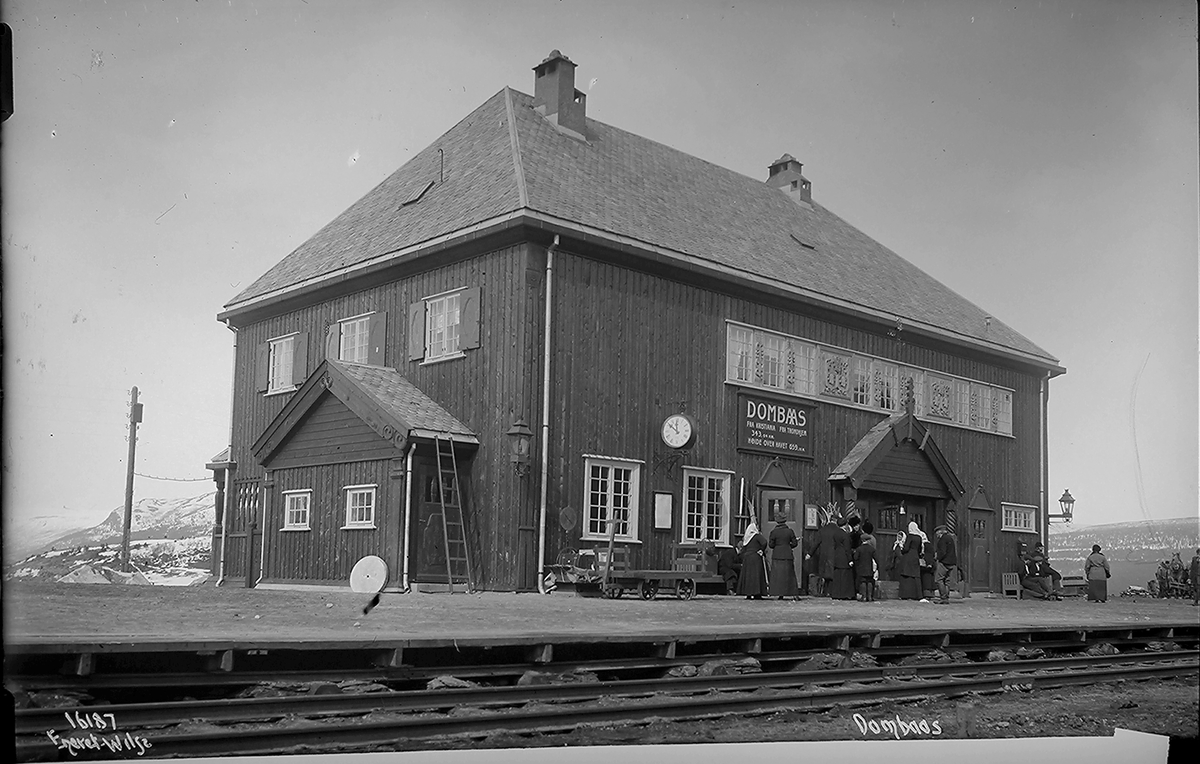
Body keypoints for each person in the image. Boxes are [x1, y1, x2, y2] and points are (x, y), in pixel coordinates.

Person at [768, 511, 800, 600]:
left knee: (778, 576)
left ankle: (779, 594)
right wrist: (789, 544)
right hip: (787, 554)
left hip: (777, 555)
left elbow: (771, 545)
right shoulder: (790, 531)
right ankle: (794, 594)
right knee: (789, 575)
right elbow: (794, 544)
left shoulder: (774, 532)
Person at [810, 509, 839, 597]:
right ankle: (832, 592)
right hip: (834, 554)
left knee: (824, 574)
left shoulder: (822, 530)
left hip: (823, 555)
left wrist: (809, 553)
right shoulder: (838, 531)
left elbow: (816, 543)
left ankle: (825, 592)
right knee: (833, 575)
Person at [736, 521, 768, 599]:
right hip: (755, 557)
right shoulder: (757, 536)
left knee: (748, 576)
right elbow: (764, 542)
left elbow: (744, 548)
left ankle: (748, 593)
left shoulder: (746, 537)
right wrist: (761, 549)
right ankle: (757, 593)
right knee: (756, 575)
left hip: (747, 558)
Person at [829, 515, 855, 600]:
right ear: (845, 525)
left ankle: (836, 594)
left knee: (837, 577)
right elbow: (847, 548)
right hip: (844, 557)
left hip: (837, 556)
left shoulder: (835, 534)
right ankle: (845, 594)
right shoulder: (845, 535)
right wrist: (850, 559)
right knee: (845, 577)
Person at [899, 522, 923, 600]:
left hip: (908, 557)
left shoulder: (910, 536)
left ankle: (906, 594)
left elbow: (906, 548)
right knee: (915, 575)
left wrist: (901, 548)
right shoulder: (919, 537)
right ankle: (918, 594)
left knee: (907, 575)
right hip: (915, 556)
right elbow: (920, 549)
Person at [933, 524, 957, 605]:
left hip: (944, 562)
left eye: (937, 533)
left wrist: (937, 558)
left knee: (939, 579)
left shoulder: (942, 540)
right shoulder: (950, 538)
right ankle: (946, 597)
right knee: (947, 581)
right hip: (952, 562)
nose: (936, 535)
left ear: (940, 532)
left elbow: (942, 551)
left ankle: (943, 597)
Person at [855, 520, 878, 602]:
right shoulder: (873, 543)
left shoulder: (859, 549)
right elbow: (875, 556)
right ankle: (870, 596)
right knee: (870, 581)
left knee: (863, 581)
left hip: (862, 566)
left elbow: (856, 558)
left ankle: (864, 596)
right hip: (870, 565)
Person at [920, 526, 936, 599]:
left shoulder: (923, 545)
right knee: (929, 579)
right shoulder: (929, 544)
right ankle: (931, 593)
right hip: (930, 563)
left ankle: (927, 594)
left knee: (926, 579)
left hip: (926, 563)